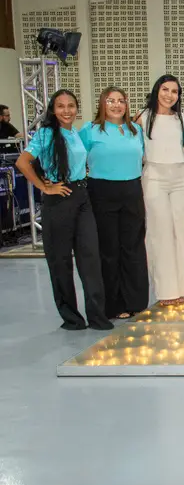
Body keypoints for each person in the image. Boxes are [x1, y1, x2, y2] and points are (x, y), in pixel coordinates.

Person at [15, 90, 113, 330]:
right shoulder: (45, 134)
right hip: (59, 199)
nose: (66, 111)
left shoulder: (75, 133)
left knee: (90, 258)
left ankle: (97, 316)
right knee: (60, 262)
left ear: (76, 108)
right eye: (61, 106)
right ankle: (71, 318)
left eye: (71, 106)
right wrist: (43, 186)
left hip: (82, 197)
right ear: (53, 109)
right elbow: (22, 162)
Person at [79, 86, 148, 319]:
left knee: (133, 247)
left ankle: (135, 301)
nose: (117, 105)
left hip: (132, 191)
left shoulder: (135, 130)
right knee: (108, 249)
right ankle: (113, 304)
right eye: (111, 101)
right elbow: (75, 158)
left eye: (121, 101)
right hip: (101, 192)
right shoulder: (90, 130)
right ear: (102, 104)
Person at [137, 75, 184, 307]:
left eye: (174, 91)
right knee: (159, 233)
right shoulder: (142, 117)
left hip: (181, 176)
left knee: (182, 232)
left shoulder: (183, 119)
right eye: (165, 89)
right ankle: (166, 290)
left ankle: (182, 288)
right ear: (156, 90)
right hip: (154, 177)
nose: (169, 95)